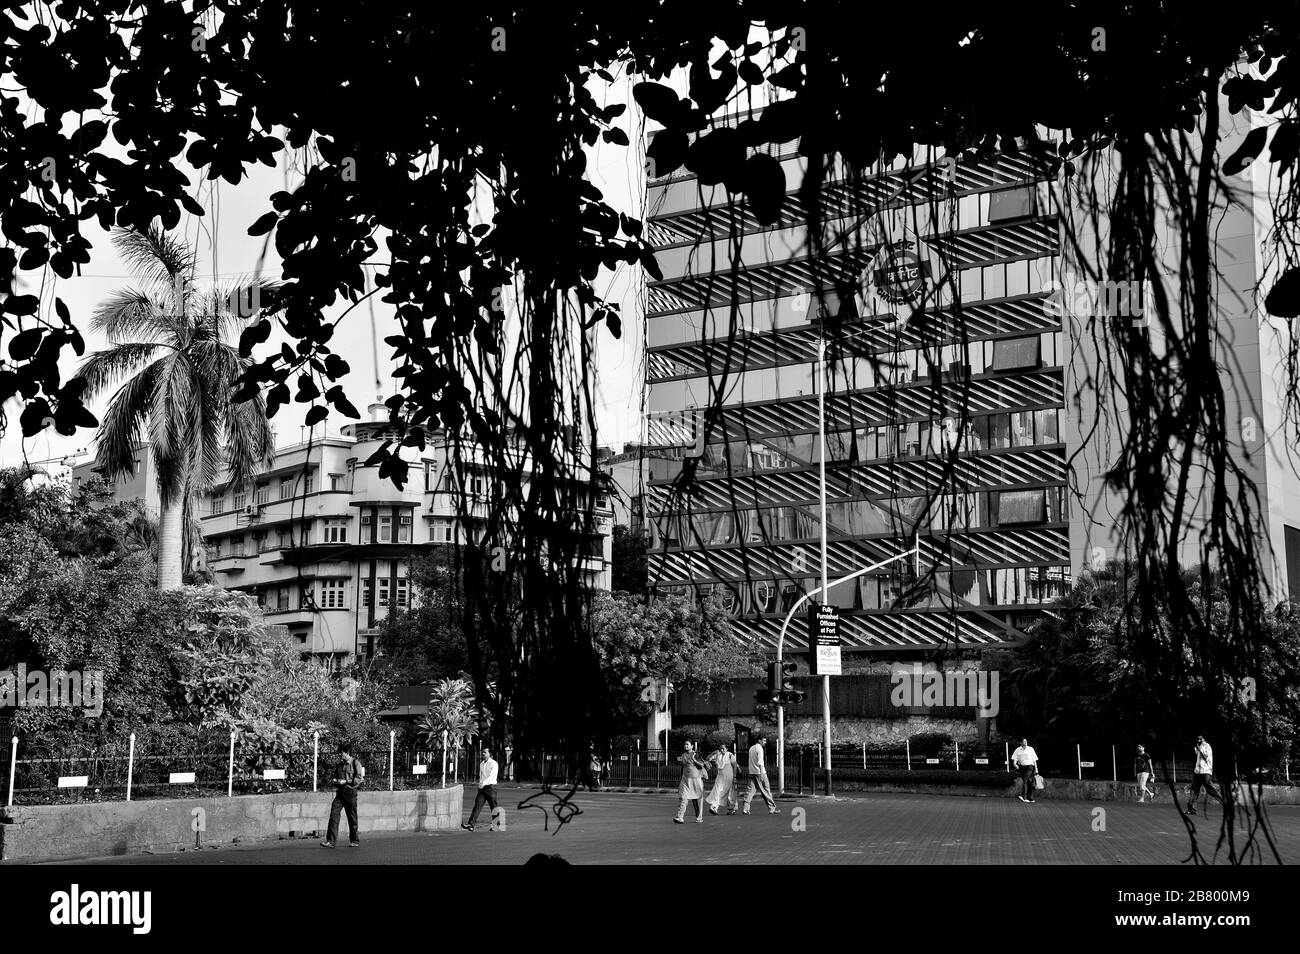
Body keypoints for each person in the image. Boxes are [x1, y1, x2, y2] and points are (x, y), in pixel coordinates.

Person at [321, 744, 365, 848]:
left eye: (342, 753)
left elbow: (359, 779)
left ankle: (354, 840)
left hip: (351, 793)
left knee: (352, 817)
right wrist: (335, 781)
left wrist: (346, 781)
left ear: (347, 753)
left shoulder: (355, 763)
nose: (340, 755)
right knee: (333, 815)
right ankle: (330, 841)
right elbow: (336, 777)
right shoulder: (340, 765)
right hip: (340, 793)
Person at [462, 746, 500, 831]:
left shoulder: (494, 763)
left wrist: (483, 783)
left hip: (491, 788)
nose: (483, 754)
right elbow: (481, 776)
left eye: (485, 752)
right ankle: (471, 824)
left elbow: (492, 776)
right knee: (477, 806)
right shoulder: (482, 764)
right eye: (482, 752)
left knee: (493, 807)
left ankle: (496, 825)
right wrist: (480, 784)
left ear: (490, 754)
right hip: (482, 788)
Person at [743, 731, 779, 815]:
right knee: (766, 790)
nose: (765, 742)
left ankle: (745, 809)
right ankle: (772, 808)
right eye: (764, 740)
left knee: (749, 791)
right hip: (760, 772)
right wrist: (762, 773)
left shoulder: (751, 748)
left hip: (752, 772)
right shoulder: (759, 748)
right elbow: (760, 762)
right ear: (759, 740)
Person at [1185, 735, 1222, 815]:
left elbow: (1205, 756)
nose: (1198, 740)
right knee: (1194, 790)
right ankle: (1192, 809)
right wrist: (1196, 749)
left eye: (1200, 738)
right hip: (1197, 772)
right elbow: (1198, 757)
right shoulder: (1199, 746)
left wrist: (1199, 749)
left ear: (1203, 739)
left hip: (1205, 772)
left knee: (1211, 790)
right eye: (1197, 738)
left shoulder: (1207, 746)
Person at [674, 741, 708, 824]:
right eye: (684, 744)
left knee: (697, 799)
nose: (685, 746)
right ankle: (680, 817)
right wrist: (681, 778)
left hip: (696, 780)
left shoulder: (696, 754)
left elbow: (701, 766)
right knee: (683, 797)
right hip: (685, 779)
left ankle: (699, 818)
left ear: (692, 746)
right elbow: (683, 767)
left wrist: (693, 759)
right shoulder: (683, 755)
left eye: (687, 744)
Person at [706, 742, 739, 815]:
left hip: (729, 777)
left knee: (729, 793)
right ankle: (714, 807)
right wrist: (713, 753)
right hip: (720, 776)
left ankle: (732, 808)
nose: (721, 750)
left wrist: (734, 777)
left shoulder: (730, 755)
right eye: (720, 748)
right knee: (717, 791)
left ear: (726, 749)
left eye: (723, 748)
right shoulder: (718, 755)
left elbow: (735, 766)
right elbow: (708, 758)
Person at [1010, 737, 1039, 803]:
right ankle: (1030, 798)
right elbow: (1014, 759)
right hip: (1022, 768)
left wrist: (1036, 768)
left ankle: (1024, 796)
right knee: (1029, 781)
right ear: (1021, 743)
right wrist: (1015, 765)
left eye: (1026, 741)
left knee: (1026, 780)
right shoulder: (1018, 750)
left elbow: (1034, 759)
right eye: (1023, 742)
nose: (1025, 743)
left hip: (1030, 767)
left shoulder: (1030, 749)